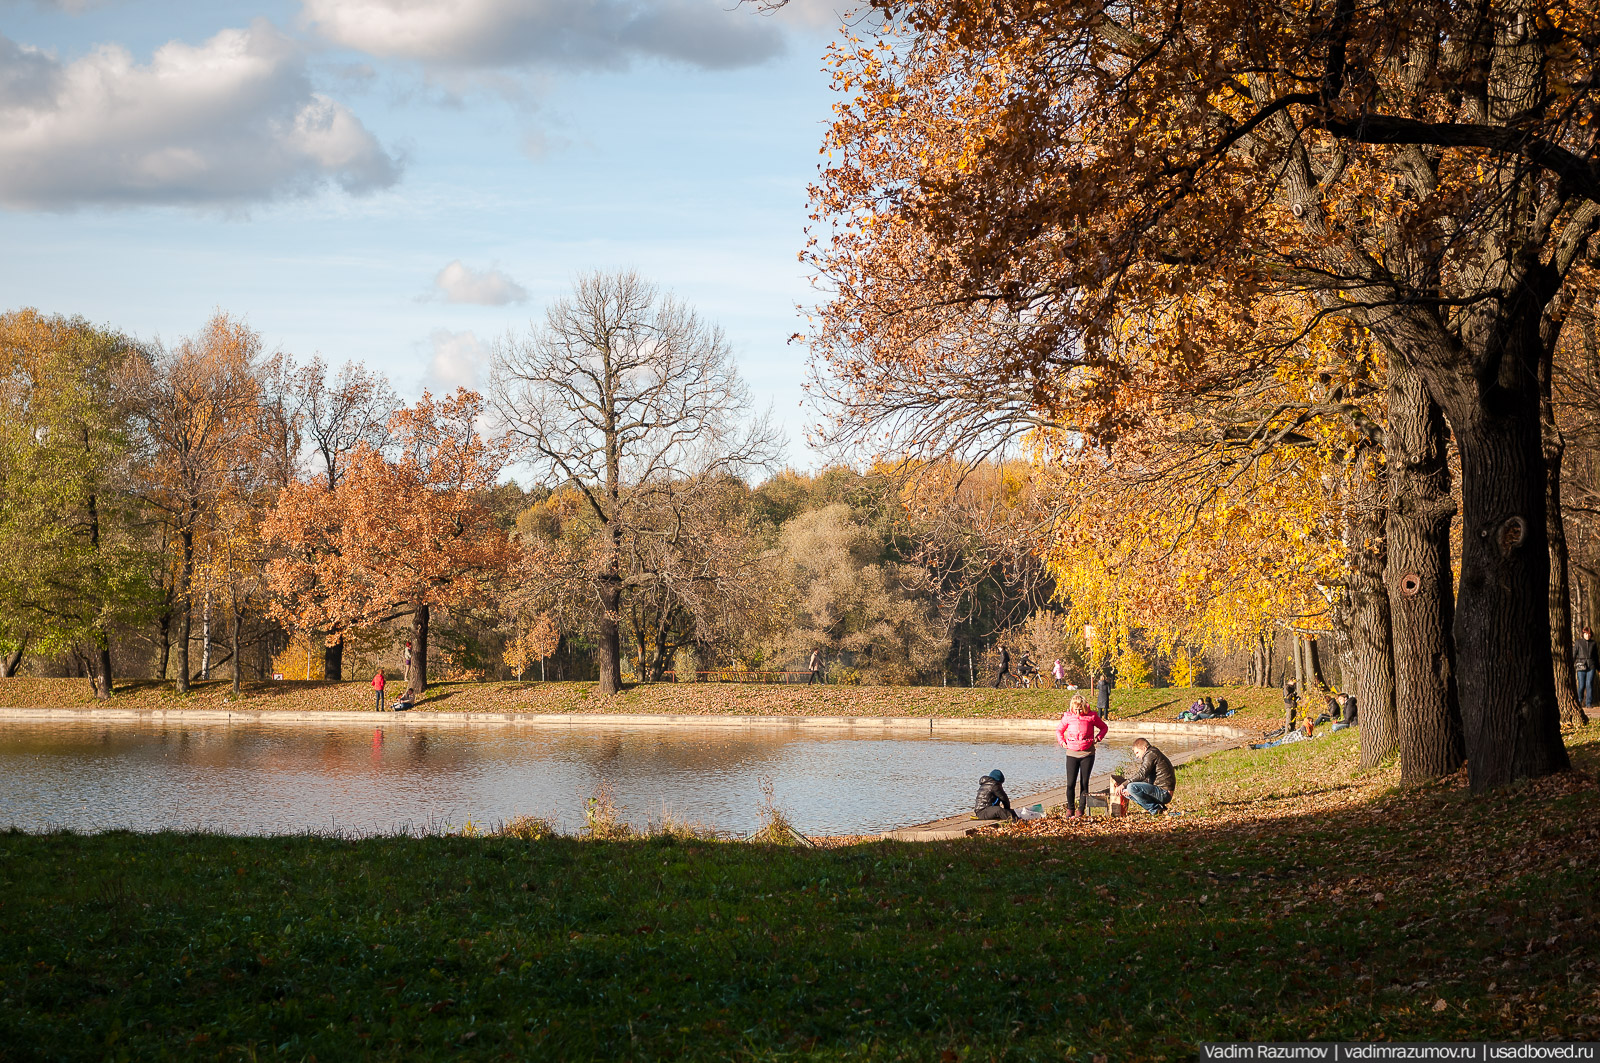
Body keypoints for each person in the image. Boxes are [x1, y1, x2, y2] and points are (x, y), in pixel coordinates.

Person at [1056, 694, 1108, 818]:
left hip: (1087, 753)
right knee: (1070, 783)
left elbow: (1104, 727)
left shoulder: (1091, 717)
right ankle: (1070, 808)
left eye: (1080, 709)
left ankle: (1080, 810)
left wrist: (1098, 738)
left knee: (1084, 783)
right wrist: (1062, 742)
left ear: (1084, 707)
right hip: (1072, 753)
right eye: (1076, 709)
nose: (1078, 712)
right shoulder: (1068, 717)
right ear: (1072, 707)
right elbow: (1059, 730)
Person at [1117, 738, 1176, 814]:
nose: (1136, 756)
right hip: (1161, 791)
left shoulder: (1151, 754)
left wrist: (1123, 784)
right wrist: (1128, 789)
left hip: (1164, 793)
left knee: (1131, 787)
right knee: (1127, 791)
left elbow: (1142, 774)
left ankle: (1155, 809)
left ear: (1144, 748)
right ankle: (1159, 807)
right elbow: (1146, 779)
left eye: (1137, 752)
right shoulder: (1152, 754)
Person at [1575, 627, 1597, 708]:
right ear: (1583, 634)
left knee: (1589, 684)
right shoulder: (1578, 642)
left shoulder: (1593, 643)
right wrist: (1571, 664)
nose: (1588, 635)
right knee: (1581, 685)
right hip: (1581, 666)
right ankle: (1579, 701)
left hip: (1591, 666)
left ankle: (1589, 703)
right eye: (1586, 634)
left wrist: (1598, 668)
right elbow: (1574, 654)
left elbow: (1596, 656)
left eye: (1589, 634)